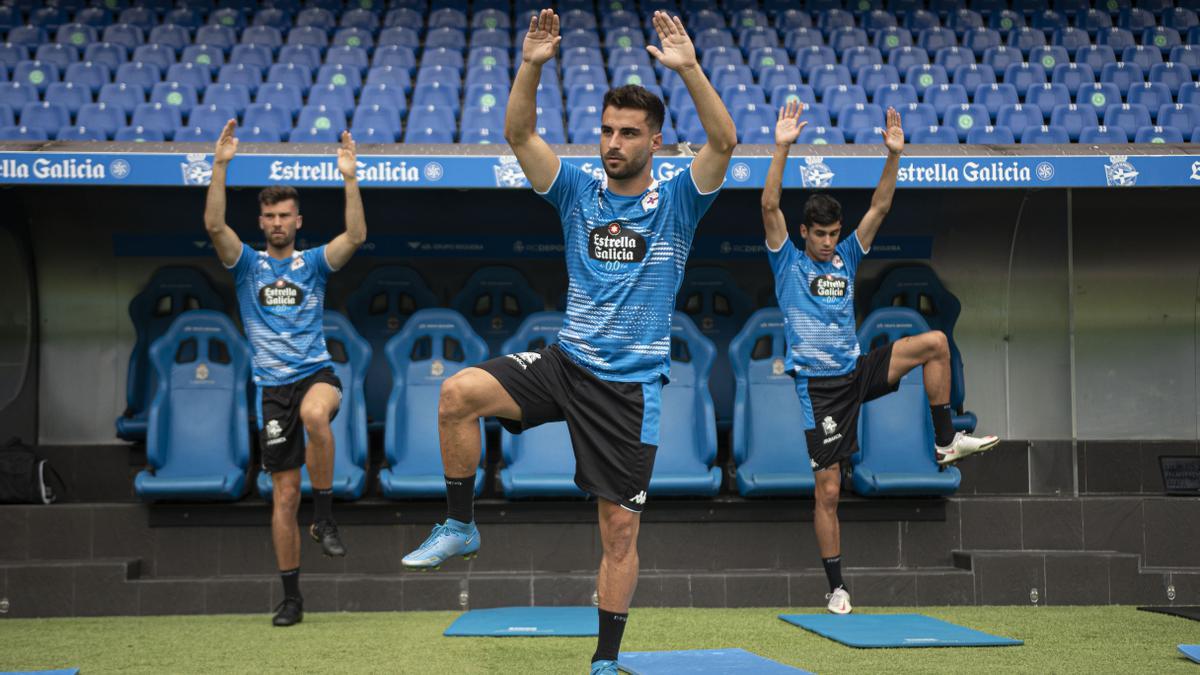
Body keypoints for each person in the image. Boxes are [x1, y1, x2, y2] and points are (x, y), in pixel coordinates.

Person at [400, 9, 736, 674]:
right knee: (458, 392)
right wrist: (531, 64)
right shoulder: (577, 192)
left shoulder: (677, 203)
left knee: (618, 533)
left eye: (629, 132)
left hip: (629, 389)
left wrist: (689, 68)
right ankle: (461, 523)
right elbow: (518, 131)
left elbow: (724, 142)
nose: (614, 141)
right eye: (608, 129)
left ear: (654, 139)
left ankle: (606, 659)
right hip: (565, 363)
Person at [760, 102, 999, 615]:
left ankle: (944, 441)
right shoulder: (787, 263)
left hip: (857, 370)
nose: (827, 243)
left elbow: (881, 208)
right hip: (820, 388)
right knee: (828, 491)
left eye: (832, 234)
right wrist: (781, 147)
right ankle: (836, 586)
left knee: (934, 342)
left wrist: (894, 156)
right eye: (819, 235)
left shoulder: (847, 254)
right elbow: (769, 205)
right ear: (805, 233)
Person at [203, 120, 367, 627]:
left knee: (318, 416)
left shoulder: (313, 264)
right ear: (261, 222)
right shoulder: (247, 265)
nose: (277, 222)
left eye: (285, 216)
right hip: (271, 390)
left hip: (315, 374)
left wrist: (349, 178)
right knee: (283, 494)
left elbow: (356, 236)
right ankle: (291, 598)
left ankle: (325, 518)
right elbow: (213, 227)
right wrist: (220, 166)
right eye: (270, 216)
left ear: (298, 221)